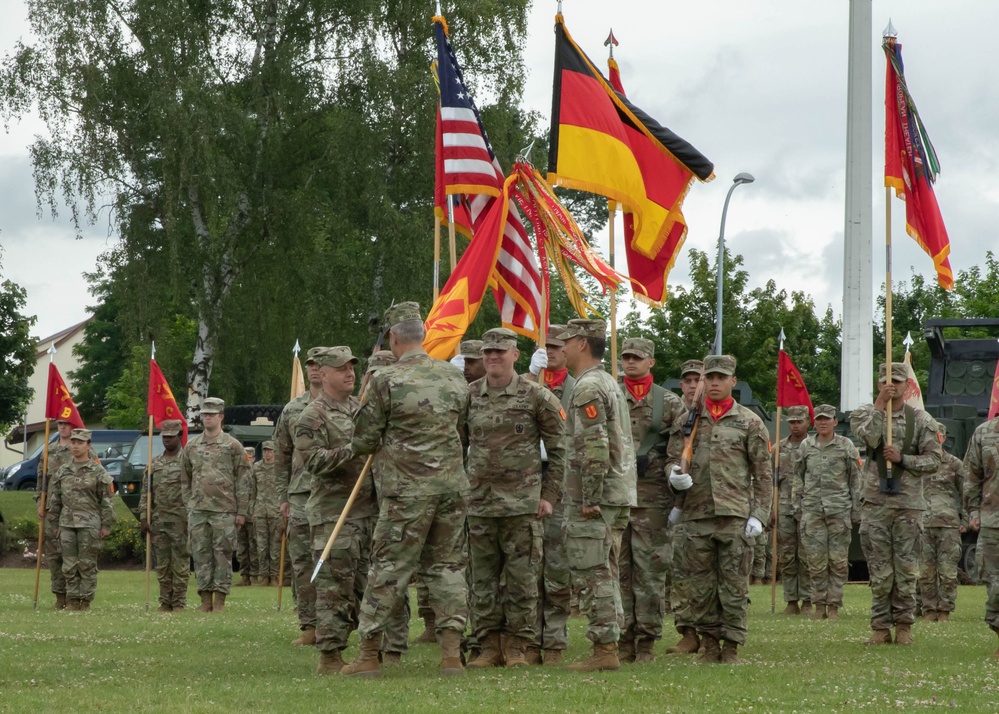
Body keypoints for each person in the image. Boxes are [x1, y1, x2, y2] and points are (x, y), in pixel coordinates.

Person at [342, 301, 470, 678]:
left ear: (393, 338)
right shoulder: (454, 378)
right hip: (451, 487)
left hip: (406, 492)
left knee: (388, 568)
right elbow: (461, 429)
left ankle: (367, 655)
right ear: (423, 336)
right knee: (447, 568)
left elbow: (363, 440)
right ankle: (451, 655)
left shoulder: (385, 380)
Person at [463, 327, 566, 669]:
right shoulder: (469, 395)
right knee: (482, 582)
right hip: (479, 505)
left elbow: (561, 450)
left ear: (515, 355)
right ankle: (488, 645)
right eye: (487, 353)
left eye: (500, 352)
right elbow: (456, 445)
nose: (493, 357)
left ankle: (520, 645)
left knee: (522, 581)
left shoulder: (536, 396)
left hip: (523, 506)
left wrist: (549, 496)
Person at [667, 354, 772, 664]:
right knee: (700, 588)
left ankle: (731, 646)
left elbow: (764, 474)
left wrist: (759, 514)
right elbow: (671, 460)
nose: (713, 383)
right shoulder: (687, 422)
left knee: (734, 586)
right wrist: (673, 475)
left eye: (720, 378)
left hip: (734, 516)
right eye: (708, 378)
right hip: (697, 514)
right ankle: (710, 644)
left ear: (732, 382)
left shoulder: (749, 422)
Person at [296, 346, 379, 674]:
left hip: (365, 512)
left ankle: (363, 650)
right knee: (334, 590)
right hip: (334, 514)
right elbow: (313, 462)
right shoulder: (312, 416)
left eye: (351, 368)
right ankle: (329, 655)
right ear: (324, 374)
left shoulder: (360, 409)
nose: (349, 373)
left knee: (362, 587)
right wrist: (352, 449)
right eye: (341, 368)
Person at [560, 318, 637, 672]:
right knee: (605, 568)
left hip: (598, 497)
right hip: (616, 493)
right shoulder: (606, 381)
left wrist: (589, 496)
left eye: (566, 341)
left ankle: (605, 650)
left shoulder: (588, 387)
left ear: (581, 344)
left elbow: (594, 446)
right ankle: (610, 643)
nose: (560, 348)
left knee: (594, 573)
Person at [850, 362, 942, 645]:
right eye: (886, 381)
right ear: (879, 384)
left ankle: (904, 625)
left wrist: (904, 459)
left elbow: (934, 460)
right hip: (876, 504)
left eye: (897, 381)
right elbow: (869, 438)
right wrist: (879, 406)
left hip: (908, 505)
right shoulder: (864, 414)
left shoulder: (922, 420)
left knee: (906, 569)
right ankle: (880, 627)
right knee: (879, 570)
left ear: (907, 385)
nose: (892, 385)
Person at [618, 337, 684, 663]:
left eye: (637, 358)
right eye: (626, 357)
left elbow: (678, 449)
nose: (630, 362)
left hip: (652, 500)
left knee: (649, 575)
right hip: (614, 499)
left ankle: (645, 641)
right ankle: (620, 639)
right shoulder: (608, 396)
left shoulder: (669, 404)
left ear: (651, 362)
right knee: (618, 574)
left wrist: (675, 472)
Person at [529, 324, 576, 666]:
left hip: (564, 482)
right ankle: (530, 640)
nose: (552, 352)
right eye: (546, 347)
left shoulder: (579, 389)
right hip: (529, 480)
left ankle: (556, 640)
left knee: (557, 567)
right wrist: (532, 376)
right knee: (528, 567)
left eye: (557, 347)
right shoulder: (528, 384)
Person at [791, 404, 861, 620]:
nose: (822, 422)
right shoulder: (806, 446)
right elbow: (797, 477)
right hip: (812, 510)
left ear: (834, 422)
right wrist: (797, 507)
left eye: (826, 419)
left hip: (839, 510)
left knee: (838, 562)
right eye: (819, 419)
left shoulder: (846, 445)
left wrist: (856, 510)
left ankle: (833, 606)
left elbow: (855, 479)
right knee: (815, 561)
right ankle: (819, 605)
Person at [181, 397, 251, 613]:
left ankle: (220, 600)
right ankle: (205, 600)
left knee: (222, 555)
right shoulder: (192, 446)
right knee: (200, 555)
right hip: (199, 510)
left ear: (221, 416)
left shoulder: (233, 445)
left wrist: (242, 511)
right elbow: (185, 478)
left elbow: (243, 479)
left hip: (224, 510)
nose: (207, 418)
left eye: (211, 414)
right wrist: (189, 505)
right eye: (204, 414)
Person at [274, 348, 324, 643]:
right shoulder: (292, 409)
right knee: (303, 562)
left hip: (335, 493)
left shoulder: (347, 405)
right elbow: (281, 454)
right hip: (301, 494)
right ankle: (309, 626)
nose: (315, 370)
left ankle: (338, 622)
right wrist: (283, 495)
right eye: (310, 365)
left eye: (320, 365)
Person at [48, 429, 115, 611]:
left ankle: (85, 601)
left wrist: (106, 525)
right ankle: (71, 600)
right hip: (66, 524)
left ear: (88, 446)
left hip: (89, 524)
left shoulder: (97, 470)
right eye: (73, 442)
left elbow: (106, 500)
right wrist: (54, 524)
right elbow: (55, 500)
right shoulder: (63, 471)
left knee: (87, 564)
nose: (75, 446)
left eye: (80, 442)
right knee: (69, 565)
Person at [666, 359, 703, 655]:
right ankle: (687, 632)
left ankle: (714, 631)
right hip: (681, 504)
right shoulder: (674, 413)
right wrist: (672, 474)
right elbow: (666, 454)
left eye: (698, 380)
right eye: (688, 380)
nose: (693, 386)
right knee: (680, 571)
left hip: (716, 502)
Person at [138, 419, 190, 611]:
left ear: (179, 436)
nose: (167, 440)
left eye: (171, 437)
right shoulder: (155, 463)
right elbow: (146, 492)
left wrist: (190, 518)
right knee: (162, 564)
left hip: (180, 521)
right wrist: (144, 516)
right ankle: (165, 601)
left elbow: (194, 491)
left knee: (180, 563)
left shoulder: (187, 461)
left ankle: (178, 602)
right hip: (158, 521)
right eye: (164, 437)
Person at [918, 424, 967, 622]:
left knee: (948, 571)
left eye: (938, 435)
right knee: (925, 572)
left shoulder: (954, 464)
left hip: (948, 524)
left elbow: (966, 492)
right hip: (922, 523)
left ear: (944, 438)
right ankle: (929, 610)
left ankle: (945, 610)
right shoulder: (918, 464)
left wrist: (965, 518)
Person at [964, 411, 999, 656]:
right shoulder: (984, 433)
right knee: (993, 581)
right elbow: (971, 476)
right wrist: (973, 511)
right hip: (992, 519)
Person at [775, 405, 812, 615]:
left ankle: (807, 600)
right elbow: (771, 480)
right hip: (784, 507)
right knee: (787, 555)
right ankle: (791, 600)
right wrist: (772, 509)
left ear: (807, 422)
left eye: (799, 421)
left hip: (808, 507)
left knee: (806, 555)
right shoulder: (779, 448)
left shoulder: (813, 446)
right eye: (792, 422)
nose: (795, 425)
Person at [37, 418, 77, 609]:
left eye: (67, 423)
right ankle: (59, 596)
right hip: (51, 509)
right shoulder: (49, 450)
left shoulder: (79, 449)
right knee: (53, 555)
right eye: (60, 423)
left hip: (73, 509)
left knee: (71, 553)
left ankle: (74, 596)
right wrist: (40, 501)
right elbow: (41, 479)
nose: (62, 427)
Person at [251, 441, 282, 586]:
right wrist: (252, 510)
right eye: (265, 451)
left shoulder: (279, 468)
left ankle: (275, 576)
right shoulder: (256, 468)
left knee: (275, 546)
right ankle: (264, 576)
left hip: (276, 511)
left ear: (274, 452)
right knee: (261, 546)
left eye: (270, 451)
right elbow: (252, 490)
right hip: (260, 511)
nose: (267, 453)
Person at [236, 446, 260, 586]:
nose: (248, 459)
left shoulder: (257, 472)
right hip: (240, 513)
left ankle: (255, 575)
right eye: (246, 457)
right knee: (241, 547)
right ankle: (244, 575)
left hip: (253, 514)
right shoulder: (237, 472)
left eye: (250, 457)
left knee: (254, 546)